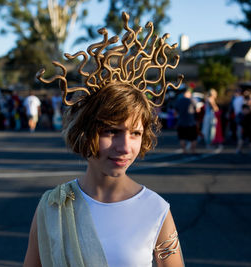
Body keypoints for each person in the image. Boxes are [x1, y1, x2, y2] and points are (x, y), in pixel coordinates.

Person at [23, 12, 185, 267]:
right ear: (86, 131)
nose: (124, 147)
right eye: (111, 131)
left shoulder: (156, 210)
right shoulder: (52, 206)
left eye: (135, 133)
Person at [174, 88, 198, 154]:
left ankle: (184, 150)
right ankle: (193, 151)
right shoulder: (192, 100)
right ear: (188, 93)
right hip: (191, 122)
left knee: (182, 138)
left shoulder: (179, 101)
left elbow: (175, 112)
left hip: (181, 122)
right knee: (193, 138)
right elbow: (197, 111)